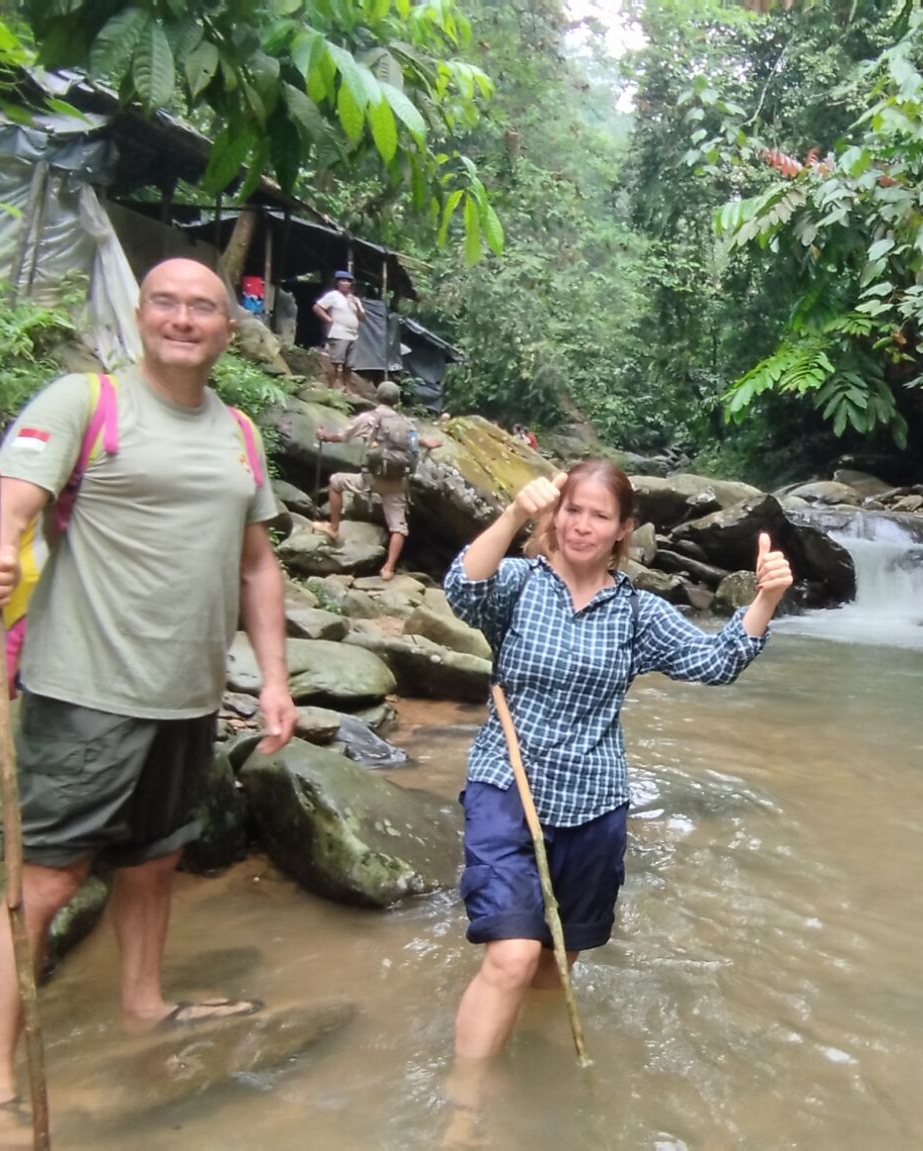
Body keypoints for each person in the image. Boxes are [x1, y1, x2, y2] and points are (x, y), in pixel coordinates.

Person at [0, 258, 298, 1142]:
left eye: (204, 308)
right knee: (45, 880)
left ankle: (144, 1006)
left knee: (152, 861)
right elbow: (10, 505)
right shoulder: (83, 402)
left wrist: (274, 677)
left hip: (187, 694)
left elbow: (257, 565)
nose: (184, 319)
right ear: (139, 314)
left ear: (230, 330)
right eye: (167, 303)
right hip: (86, 689)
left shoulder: (239, 434)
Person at [437, 459, 792, 1130]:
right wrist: (514, 513)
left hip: (594, 805)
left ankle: (534, 1067)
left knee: (553, 964)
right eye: (572, 508)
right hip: (508, 787)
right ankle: (462, 1109)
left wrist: (765, 600)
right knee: (512, 954)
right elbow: (462, 586)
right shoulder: (518, 585)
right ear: (555, 512)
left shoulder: (634, 610)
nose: (581, 523)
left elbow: (716, 663)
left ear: (623, 529)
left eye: (599, 514)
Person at [315, 379, 445, 581]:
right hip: (397, 481)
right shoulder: (406, 423)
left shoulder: (369, 418)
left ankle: (333, 528)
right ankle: (388, 568)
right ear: (397, 401)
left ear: (377, 396)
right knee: (398, 527)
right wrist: (429, 442)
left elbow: (343, 436)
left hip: (371, 478)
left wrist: (325, 436)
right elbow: (415, 443)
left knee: (336, 482)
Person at [312, 269, 366, 389]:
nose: (346, 283)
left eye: (348, 281)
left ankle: (346, 388)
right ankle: (332, 387)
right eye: (343, 281)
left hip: (353, 335)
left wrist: (357, 304)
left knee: (349, 365)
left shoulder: (355, 299)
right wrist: (328, 319)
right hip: (339, 333)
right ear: (337, 283)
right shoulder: (333, 296)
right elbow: (317, 307)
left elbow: (362, 318)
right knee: (336, 362)